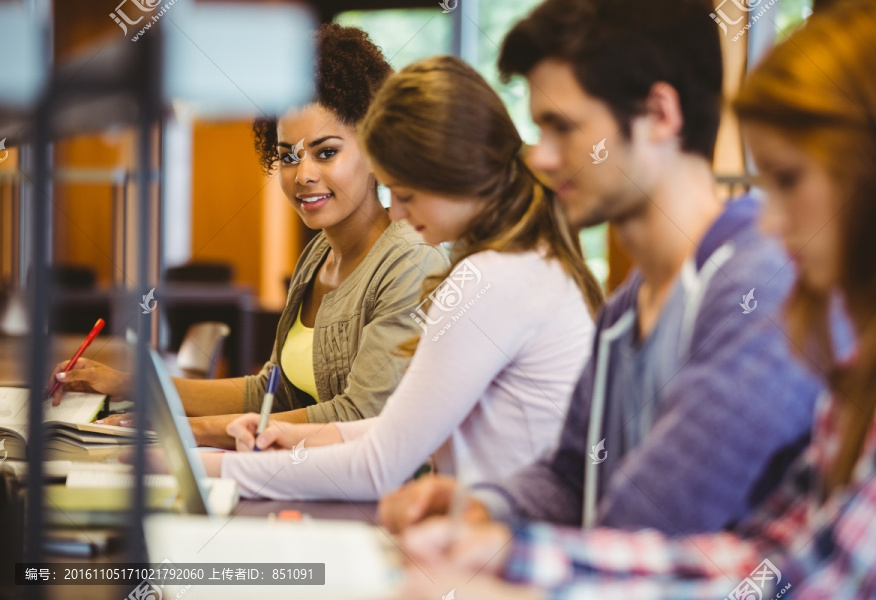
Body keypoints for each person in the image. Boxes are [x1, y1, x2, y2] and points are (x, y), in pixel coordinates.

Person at [395, 1, 876, 598]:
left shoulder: (760, 287)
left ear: (660, 113)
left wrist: (513, 566)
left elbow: (661, 523)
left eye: (563, 127)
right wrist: (489, 516)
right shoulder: (623, 312)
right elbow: (764, 557)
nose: (541, 157)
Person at [200, 55, 603, 501]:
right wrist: (294, 437)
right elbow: (400, 431)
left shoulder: (493, 278)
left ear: (457, 175)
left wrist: (210, 467)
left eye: (406, 195)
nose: (399, 213)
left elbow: (379, 468)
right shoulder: (516, 261)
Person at [47, 24, 449, 448]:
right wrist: (133, 386)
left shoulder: (411, 261)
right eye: (289, 157)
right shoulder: (317, 256)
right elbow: (269, 394)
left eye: (326, 152)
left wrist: (186, 429)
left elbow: (361, 416)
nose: (304, 175)